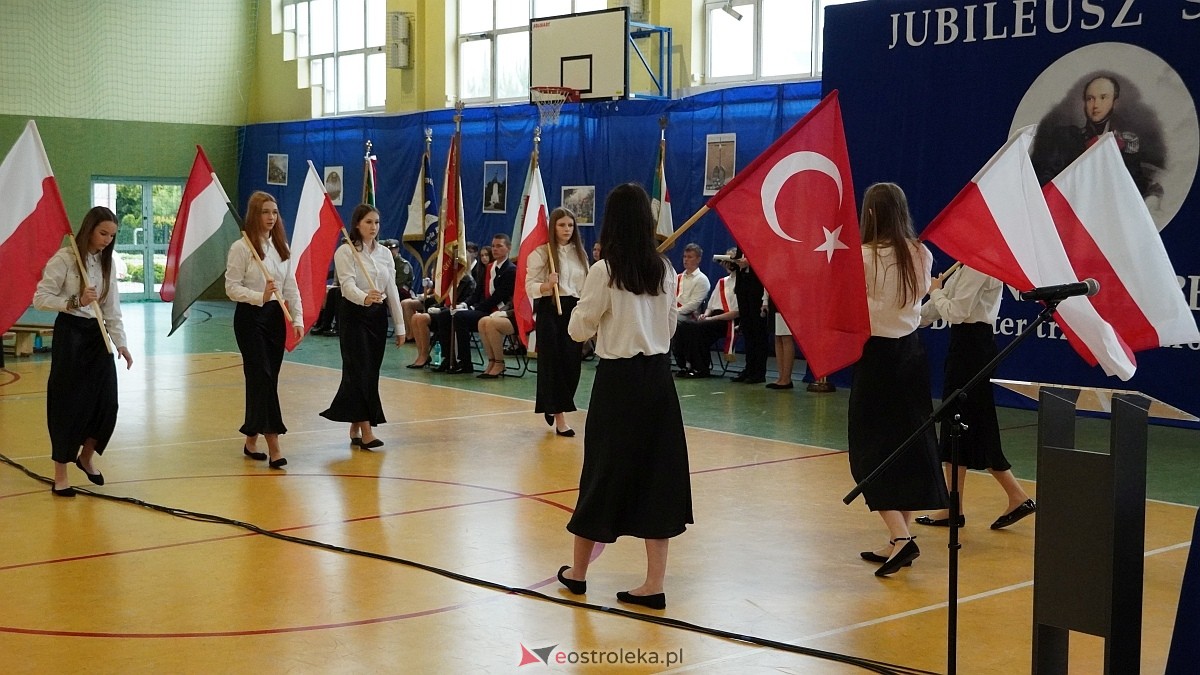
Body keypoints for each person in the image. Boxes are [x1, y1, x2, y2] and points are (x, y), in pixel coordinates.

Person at [556, 183, 691, 610]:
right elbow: (670, 326)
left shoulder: (604, 270)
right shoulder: (664, 269)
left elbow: (579, 328)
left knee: (601, 474)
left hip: (618, 383)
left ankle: (578, 574)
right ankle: (654, 583)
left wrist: (585, 313)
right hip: (658, 382)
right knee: (657, 477)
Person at [848, 182, 947, 577]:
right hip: (912, 355)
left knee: (869, 449)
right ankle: (897, 541)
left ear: (871, 213)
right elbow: (914, 302)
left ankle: (902, 538)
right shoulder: (920, 252)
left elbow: (860, 309)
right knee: (906, 444)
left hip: (877, 356)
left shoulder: (864, 256)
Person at [916, 265, 1037, 530]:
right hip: (964, 347)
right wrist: (910, 317)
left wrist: (935, 292)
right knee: (965, 427)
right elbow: (936, 309)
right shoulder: (964, 266)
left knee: (964, 423)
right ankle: (958, 506)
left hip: (972, 350)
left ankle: (1010, 497)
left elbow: (957, 312)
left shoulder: (978, 268)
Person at [33, 206, 134, 496]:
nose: (107, 240)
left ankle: (86, 456)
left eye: (111, 235)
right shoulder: (65, 259)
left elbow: (111, 308)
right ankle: (61, 474)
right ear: (89, 229)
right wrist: (76, 301)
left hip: (97, 335)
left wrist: (121, 343)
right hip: (71, 335)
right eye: (103, 233)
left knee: (108, 404)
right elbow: (41, 298)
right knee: (67, 405)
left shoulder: (107, 262)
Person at [225, 191, 303, 469]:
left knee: (265, 381)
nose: (271, 217)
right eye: (265, 212)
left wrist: (297, 318)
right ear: (254, 215)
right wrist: (261, 296)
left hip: (274, 319)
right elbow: (231, 288)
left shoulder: (282, 247)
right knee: (263, 378)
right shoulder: (241, 248)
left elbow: (291, 286)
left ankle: (250, 439)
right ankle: (274, 446)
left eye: (274, 212)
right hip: (250, 319)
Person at [320, 205, 405, 449]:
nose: (373, 227)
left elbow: (391, 290)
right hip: (353, 315)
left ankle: (355, 423)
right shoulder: (345, 252)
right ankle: (367, 430)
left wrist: (400, 325)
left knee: (370, 372)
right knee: (359, 369)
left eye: (376, 222)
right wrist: (365, 297)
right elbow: (346, 286)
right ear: (357, 224)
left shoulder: (385, 254)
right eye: (368, 222)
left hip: (376, 318)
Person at [520, 207, 590, 434]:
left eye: (570, 225)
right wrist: (547, 285)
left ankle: (552, 404)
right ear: (553, 227)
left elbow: (586, 286)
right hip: (551, 309)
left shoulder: (581, 254)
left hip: (574, 310)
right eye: (561, 225)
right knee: (554, 364)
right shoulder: (542, 253)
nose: (567, 229)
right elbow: (529, 287)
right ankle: (559, 417)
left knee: (572, 363)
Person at [1032, 74, 1158, 198]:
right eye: (1090, 99)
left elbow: (1136, 190)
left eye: (1103, 98)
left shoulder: (1124, 143)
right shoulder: (1066, 137)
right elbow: (1045, 180)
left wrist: (1130, 156)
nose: (1095, 105)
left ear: (1114, 103)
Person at [432, 234, 515, 374]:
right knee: (445, 315)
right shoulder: (489, 268)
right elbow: (477, 293)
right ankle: (448, 358)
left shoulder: (511, 270)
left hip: (496, 310)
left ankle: (465, 362)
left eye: (499, 246)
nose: (495, 249)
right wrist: (464, 305)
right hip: (482, 308)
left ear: (508, 248)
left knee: (460, 317)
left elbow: (497, 298)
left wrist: (472, 308)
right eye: (493, 246)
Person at [672, 254, 737, 379]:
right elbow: (710, 306)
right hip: (713, 316)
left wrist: (710, 318)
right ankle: (686, 365)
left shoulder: (740, 283)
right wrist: (705, 315)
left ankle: (701, 368)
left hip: (727, 320)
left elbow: (736, 312)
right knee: (685, 327)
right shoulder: (722, 281)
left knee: (695, 329)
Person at [729, 248, 769, 384]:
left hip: (756, 286)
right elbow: (739, 259)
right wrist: (732, 261)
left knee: (758, 330)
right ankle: (749, 368)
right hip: (743, 285)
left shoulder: (761, 241)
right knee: (747, 329)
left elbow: (767, 259)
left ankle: (759, 371)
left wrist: (751, 262)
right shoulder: (742, 242)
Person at [767, 297, 797, 390]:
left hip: (787, 298)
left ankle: (786, 378)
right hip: (774, 298)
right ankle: (781, 376)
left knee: (786, 336)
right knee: (777, 336)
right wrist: (765, 300)